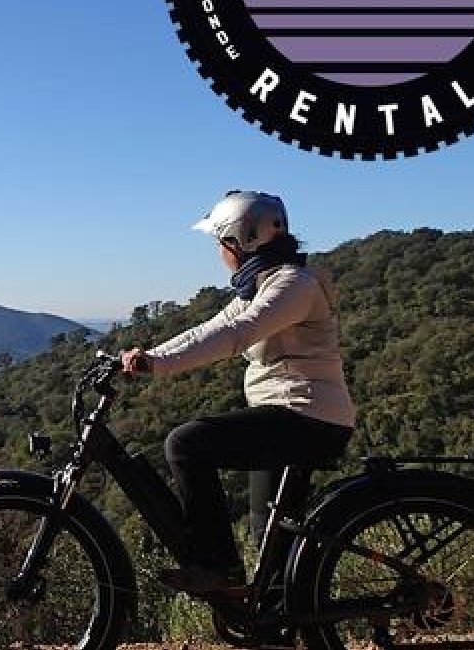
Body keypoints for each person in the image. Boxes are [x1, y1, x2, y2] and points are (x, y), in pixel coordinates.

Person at [119, 190, 356, 596]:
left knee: (186, 444)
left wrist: (156, 366)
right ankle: (281, 617)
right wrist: (150, 356)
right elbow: (207, 330)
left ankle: (218, 567)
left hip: (308, 417)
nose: (218, 252)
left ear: (240, 241)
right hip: (290, 416)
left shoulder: (293, 284)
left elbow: (237, 334)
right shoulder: (258, 287)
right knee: (270, 541)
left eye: (220, 242)